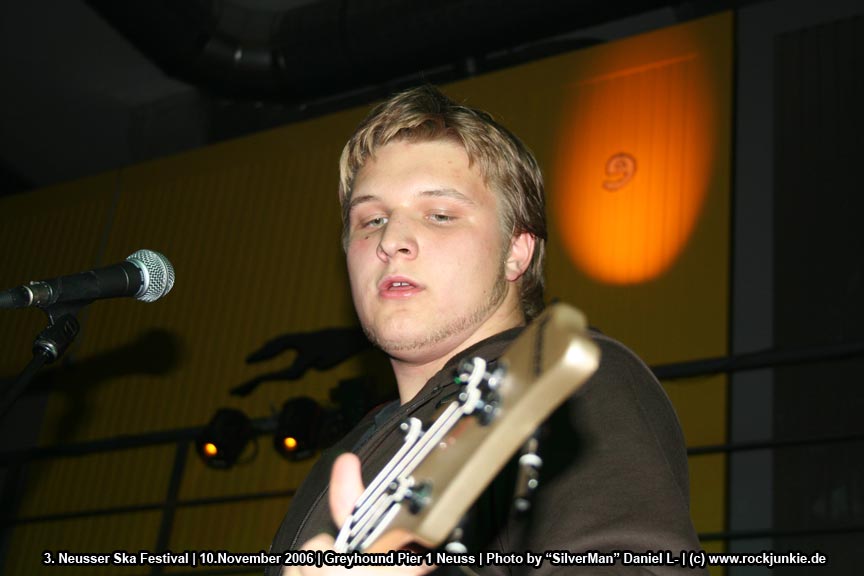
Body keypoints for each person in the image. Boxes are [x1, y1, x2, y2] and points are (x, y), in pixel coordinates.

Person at [267, 85, 705, 575]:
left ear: (517, 252)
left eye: (440, 215)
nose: (391, 240)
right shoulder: (343, 458)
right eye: (371, 220)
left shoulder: (562, 385)